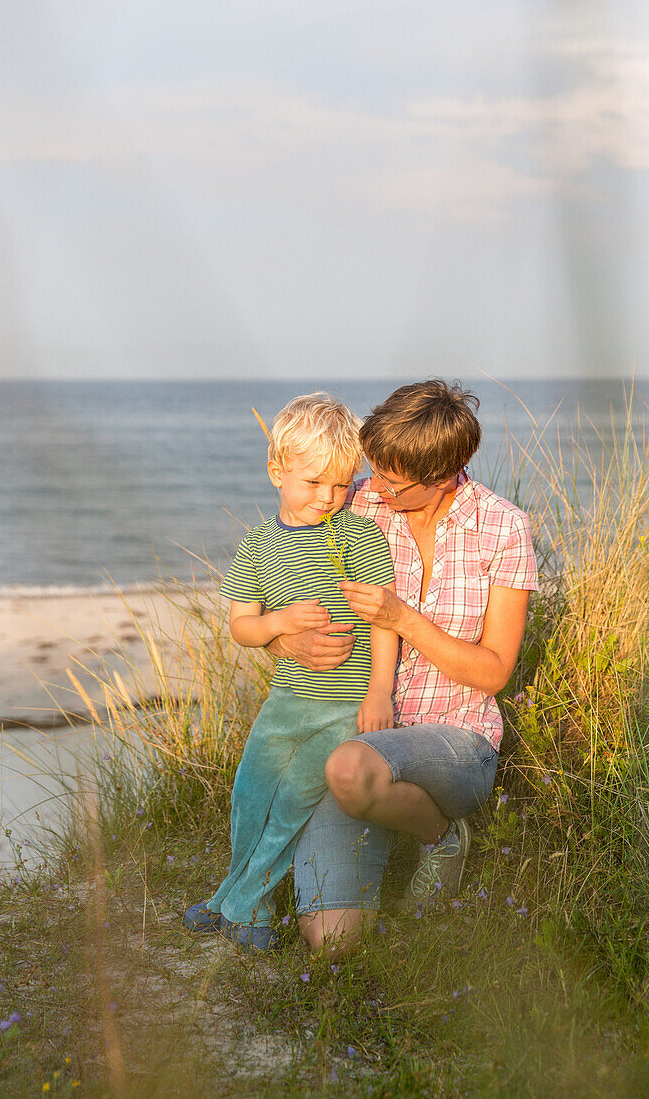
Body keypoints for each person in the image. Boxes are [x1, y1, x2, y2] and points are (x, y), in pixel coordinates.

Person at [267, 379, 539, 954]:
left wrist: (402, 617)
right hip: (357, 735)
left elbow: (493, 673)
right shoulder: (359, 501)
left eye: (393, 479)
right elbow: (279, 585)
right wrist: (284, 645)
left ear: (443, 476)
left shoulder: (504, 528)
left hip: (457, 744)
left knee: (346, 770)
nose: (376, 487)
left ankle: (441, 837)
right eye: (376, 469)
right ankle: (384, 815)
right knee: (331, 942)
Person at [184, 393, 397, 951]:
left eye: (341, 485)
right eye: (314, 484)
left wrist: (378, 694)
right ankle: (228, 895)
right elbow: (241, 627)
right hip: (287, 700)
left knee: (292, 804)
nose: (328, 499)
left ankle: (246, 909)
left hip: (343, 706)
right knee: (251, 795)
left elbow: (383, 622)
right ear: (277, 470)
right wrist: (278, 623)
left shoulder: (359, 536)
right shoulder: (258, 546)